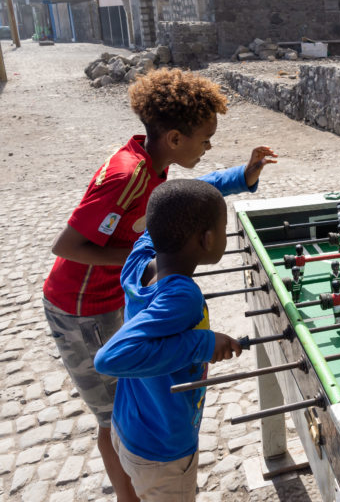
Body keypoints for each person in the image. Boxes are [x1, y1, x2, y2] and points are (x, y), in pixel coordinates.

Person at [41, 68, 276, 501]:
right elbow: (67, 245)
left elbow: (188, 196)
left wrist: (241, 177)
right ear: (174, 139)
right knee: (114, 415)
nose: (208, 148)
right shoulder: (127, 176)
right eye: (205, 140)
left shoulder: (154, 165)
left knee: (134, 399)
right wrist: (136, 255)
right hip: (80, 306)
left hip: (118, 293)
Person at [95, 179, 243, 501]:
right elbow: (108, 358)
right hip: (162, 449)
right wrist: (203, 344)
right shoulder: (181, 295)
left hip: (129, 426)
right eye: (224, 228)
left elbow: (165, 212)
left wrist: (237, 178)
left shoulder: (138, 259)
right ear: (206, 239)